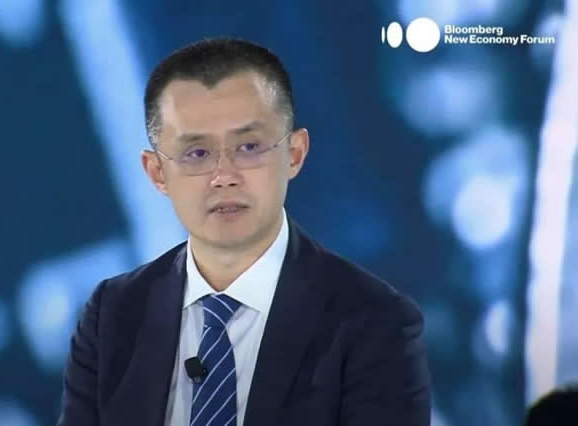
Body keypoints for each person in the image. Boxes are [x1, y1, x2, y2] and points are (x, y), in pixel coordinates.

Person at [57, 37, 431, 426]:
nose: (224, 176)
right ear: (157, 173)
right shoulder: (109, 319)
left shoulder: (377, 322)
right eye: (197, 153)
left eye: (249, 147)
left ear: (294, 154)